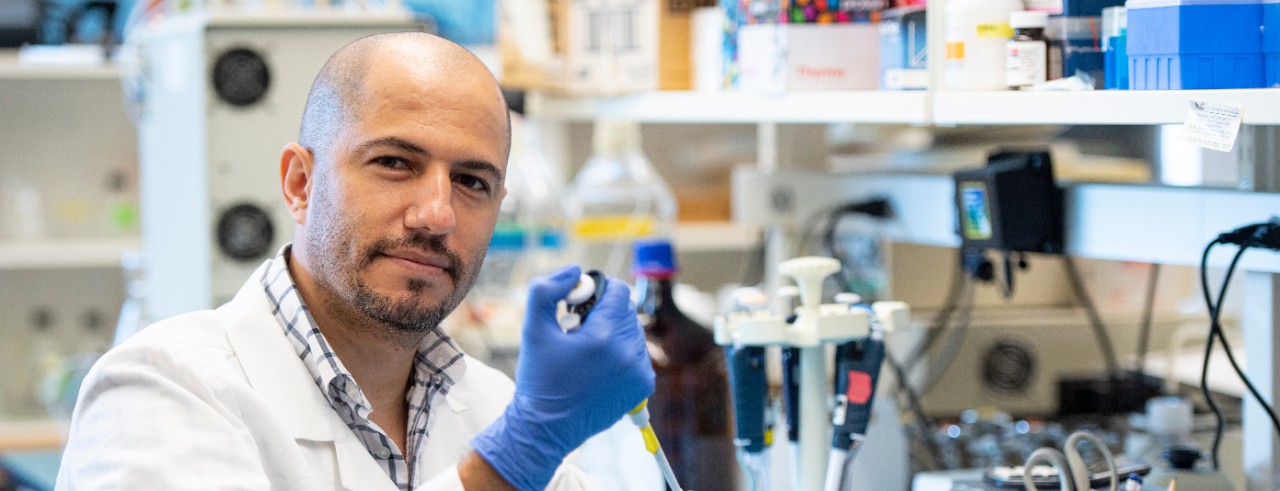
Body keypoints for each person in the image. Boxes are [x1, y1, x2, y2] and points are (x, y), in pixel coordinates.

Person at [56, 32, 656, 491]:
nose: (436, 214)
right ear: (299, 182)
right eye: (395, 163)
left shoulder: (493, 405)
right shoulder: (159, 391)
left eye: (472, 181)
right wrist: (513, 458)